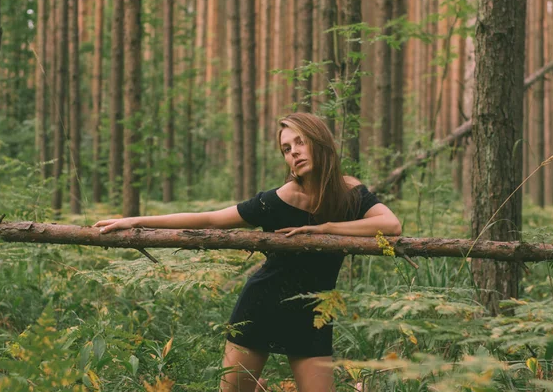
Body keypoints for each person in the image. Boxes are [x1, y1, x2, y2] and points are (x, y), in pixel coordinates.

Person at [94, 113, 401, 392]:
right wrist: (136, 221)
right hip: (261, 307)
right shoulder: (279, 199)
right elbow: (212, 219)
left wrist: (325, 229)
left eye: (300, 142)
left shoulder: (350, 193)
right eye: (285, 148)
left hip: (315, 314)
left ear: (319, 142)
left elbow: (391, 225)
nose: (293, 151)